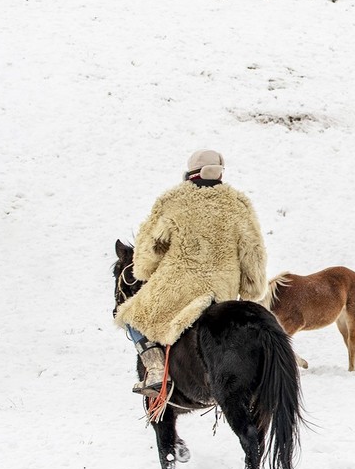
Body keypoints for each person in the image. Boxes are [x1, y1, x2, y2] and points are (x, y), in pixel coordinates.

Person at [115, 150, 268, 397]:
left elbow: (148, 253)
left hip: (178, 288)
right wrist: (251, 286)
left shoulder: (172, 201)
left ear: (191, 172)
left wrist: (146, 268)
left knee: (132, 317)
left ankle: (155, 370)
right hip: (222, 291)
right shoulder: (239, 204)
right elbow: (253, 251)